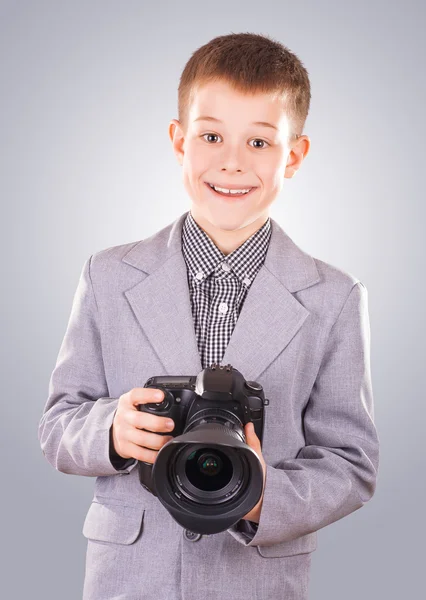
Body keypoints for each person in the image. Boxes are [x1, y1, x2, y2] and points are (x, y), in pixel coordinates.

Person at [38, 32, 380, 600]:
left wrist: (266, 499)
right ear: (179, 141)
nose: (232, 163)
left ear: (293, 156)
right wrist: (113, 432)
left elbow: (352, 460)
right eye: (212, 135)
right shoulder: (108, 274)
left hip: (258, 580)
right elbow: (57, 425)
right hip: (130, 578)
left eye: (260, 143)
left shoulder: (335, 297)